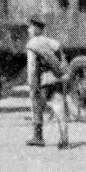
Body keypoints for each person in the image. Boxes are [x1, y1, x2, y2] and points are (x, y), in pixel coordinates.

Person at [25, 16, 70, 149]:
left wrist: (33, 86)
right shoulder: (53, 42)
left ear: (35, 29)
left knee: (37, 106)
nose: (28, 30)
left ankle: (38, 137)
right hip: (57, 79)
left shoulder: (32, 44)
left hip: (43, 81)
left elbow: (32, 68)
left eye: (30, 27)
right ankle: (64, 140)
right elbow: (62, 60)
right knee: (59, 108)